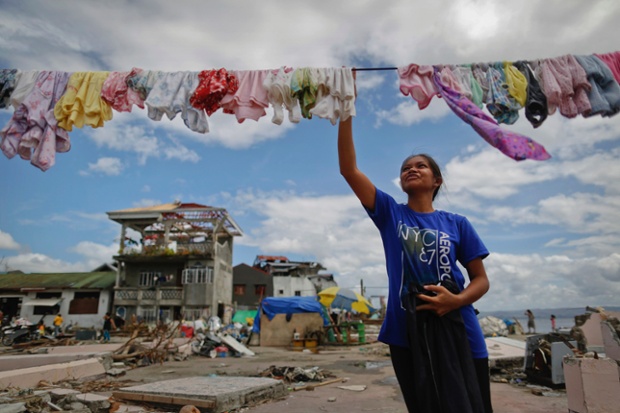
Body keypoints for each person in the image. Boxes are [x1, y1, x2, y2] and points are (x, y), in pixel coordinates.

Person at [338, 102, 492, 412]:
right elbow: (348, 169)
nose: (411, 169)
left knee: (475, 405)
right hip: (406, 329)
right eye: (406, 167)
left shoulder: (457, 223)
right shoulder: (390, 214)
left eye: (420, 165)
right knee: (424, 405)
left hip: (459, 325)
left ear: (437, 181)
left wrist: (456, 301)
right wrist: (345, 105)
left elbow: (481, 279)